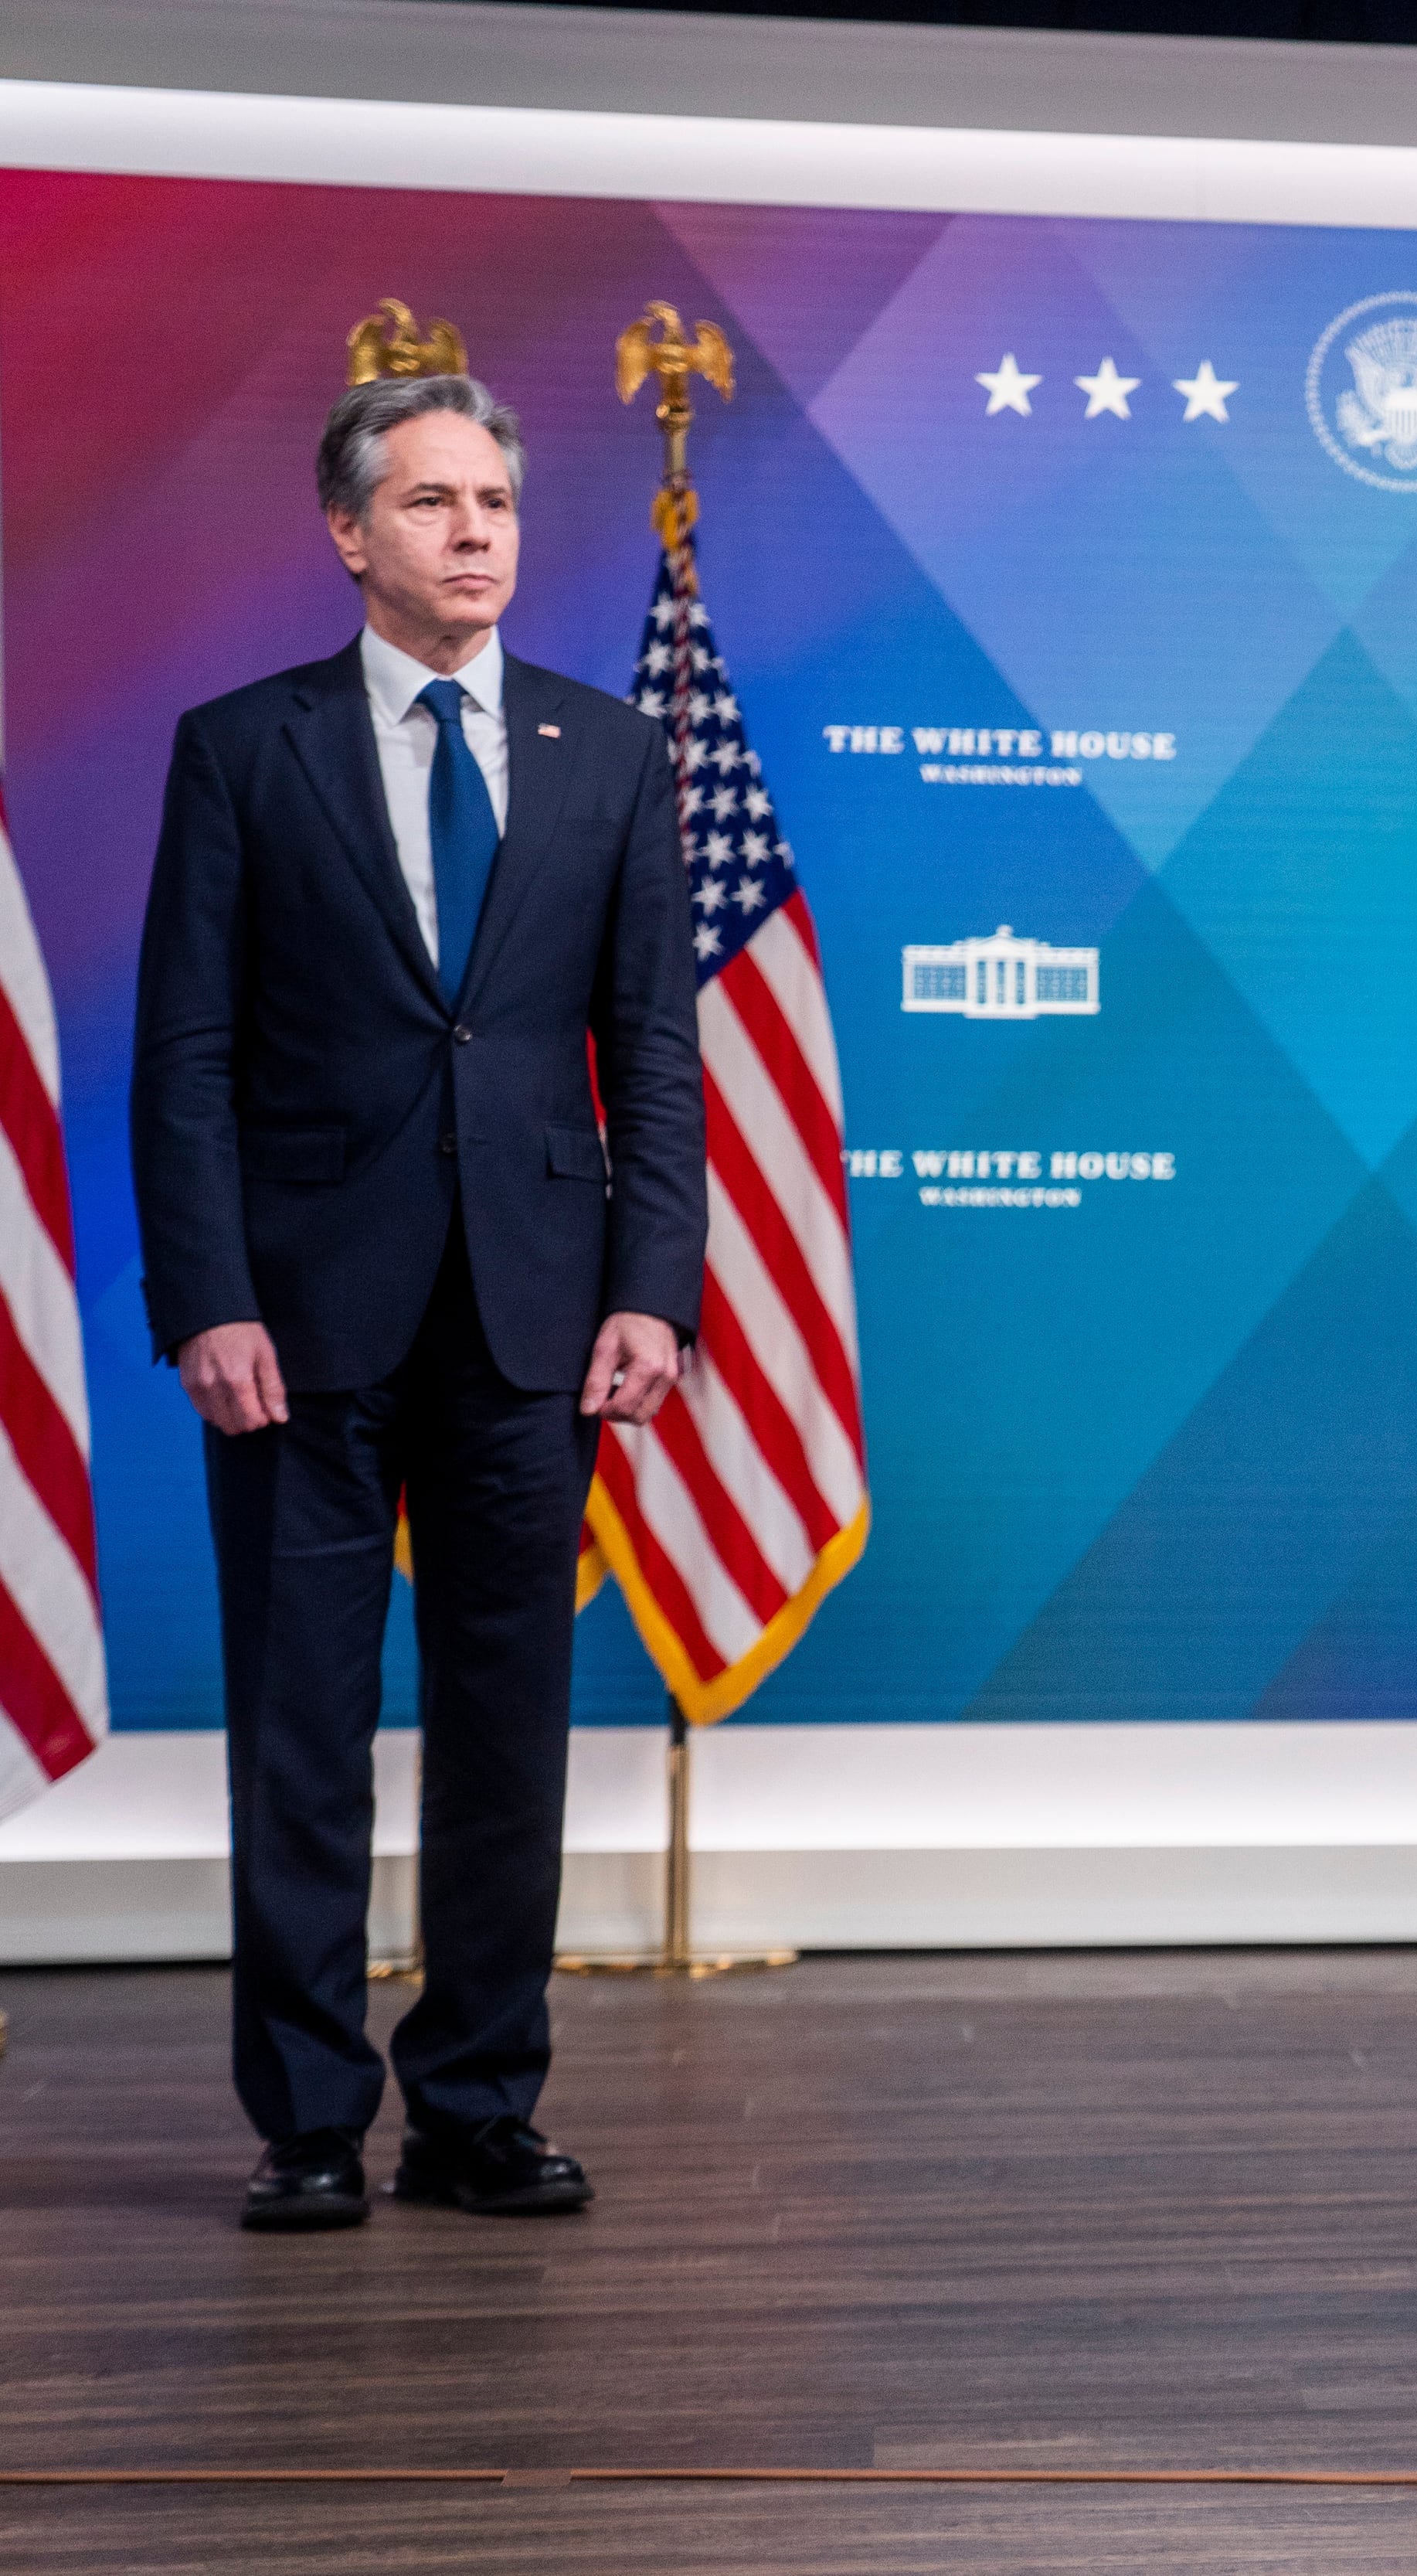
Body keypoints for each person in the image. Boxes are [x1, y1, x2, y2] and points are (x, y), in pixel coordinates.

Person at [133, 374, 705, 2232]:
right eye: (433, 500)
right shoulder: (244, 747)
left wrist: (654, 1291)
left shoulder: (612, 752)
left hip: (533, 1320)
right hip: (296, 1327)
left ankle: (475, 2106)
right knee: (301, 1733)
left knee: (504, 1731)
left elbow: (655, 1053)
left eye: (497, 503)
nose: (474, 531)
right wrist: (207, 1293)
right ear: (348, 533)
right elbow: (187, 1058)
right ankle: (307, 2119)